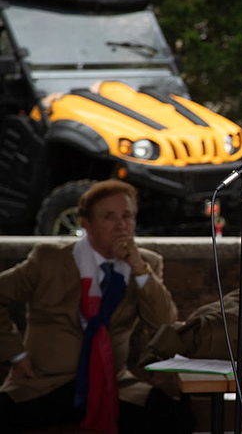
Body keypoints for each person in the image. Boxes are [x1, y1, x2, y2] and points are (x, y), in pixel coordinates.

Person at [0, 179, 193, 434]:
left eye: (127, 216)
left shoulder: (147, 264)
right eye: (109, 217)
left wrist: (138, 269)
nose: (121, 225)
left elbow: (163, 324)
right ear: (86, 223)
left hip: (113, 384)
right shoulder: (49, 259)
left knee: (177, 417)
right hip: (47, 383)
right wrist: (17, 355)